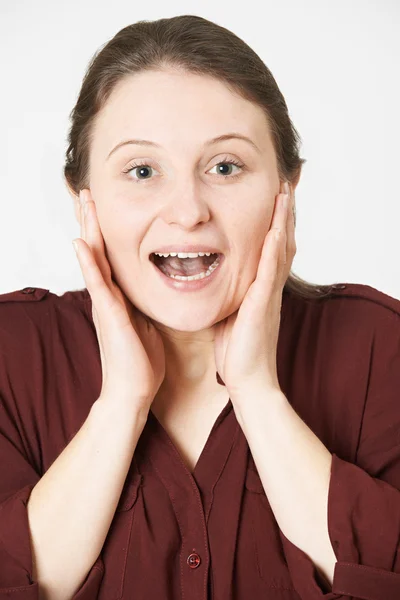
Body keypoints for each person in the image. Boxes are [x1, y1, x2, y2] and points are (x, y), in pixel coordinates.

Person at [0, 14, 399, 600]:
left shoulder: (378, 347)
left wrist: (258, 393)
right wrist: (120, 405)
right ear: (84, 199)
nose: (187, 211)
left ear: (286, 189)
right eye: (141, 171)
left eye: (225, 167)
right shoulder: (11, 355)